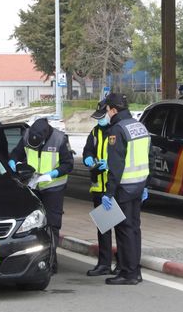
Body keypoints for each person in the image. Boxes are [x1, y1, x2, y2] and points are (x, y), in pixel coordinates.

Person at [93, 93, 150, 286]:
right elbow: (147, 157)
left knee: (124, 231)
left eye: (107, 110)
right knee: (134, 229)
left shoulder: (117, 130)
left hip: (124, 187)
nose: (106, 115)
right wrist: (146, 184)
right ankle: (136, 270)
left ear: (113, 110)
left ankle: (128, 273)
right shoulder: (140, 127)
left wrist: (108, 193)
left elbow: (115, 167)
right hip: (139, 184)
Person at [8, 117, 73, 274]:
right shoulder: (27, 135)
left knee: (52, 224)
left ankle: (51, 262)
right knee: (34, 225)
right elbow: (16, 153)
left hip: (53, 187)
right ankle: (35, 259)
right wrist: (13, 162)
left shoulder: (59, 139)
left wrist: (53, 173)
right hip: (33, 186)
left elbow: (68, 164)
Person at [82, 114, 117, 276]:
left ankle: (123, 263)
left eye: (102, 117)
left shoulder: (116, 131)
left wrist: (109, 164)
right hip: (99, 187)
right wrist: (88, 158)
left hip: (114, 186)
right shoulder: (95, 133)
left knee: (121, 228)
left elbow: (123, 156)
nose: (99, 121)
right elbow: (87, 150)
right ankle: (104, 263)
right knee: (103, 228)